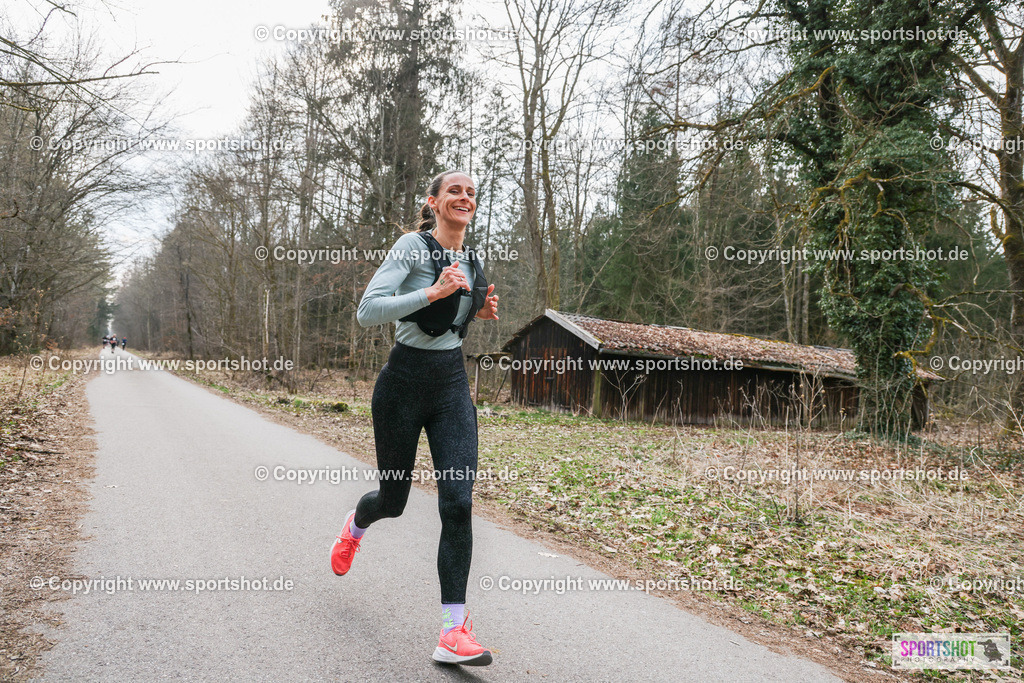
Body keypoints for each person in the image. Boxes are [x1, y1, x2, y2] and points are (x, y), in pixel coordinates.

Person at [331, 170, 499, 667]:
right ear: (434, 201)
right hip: (402, 386)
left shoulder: (472, 260)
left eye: (471, 192)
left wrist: (473, 313)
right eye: (454, 191)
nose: (464, 197)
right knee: (394, 499)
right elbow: (368, 312)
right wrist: (431, 294)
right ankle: (356, 524)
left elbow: (454, 317)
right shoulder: (412, 247)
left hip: (450, 386)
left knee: (457, 503)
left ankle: (453, 631)